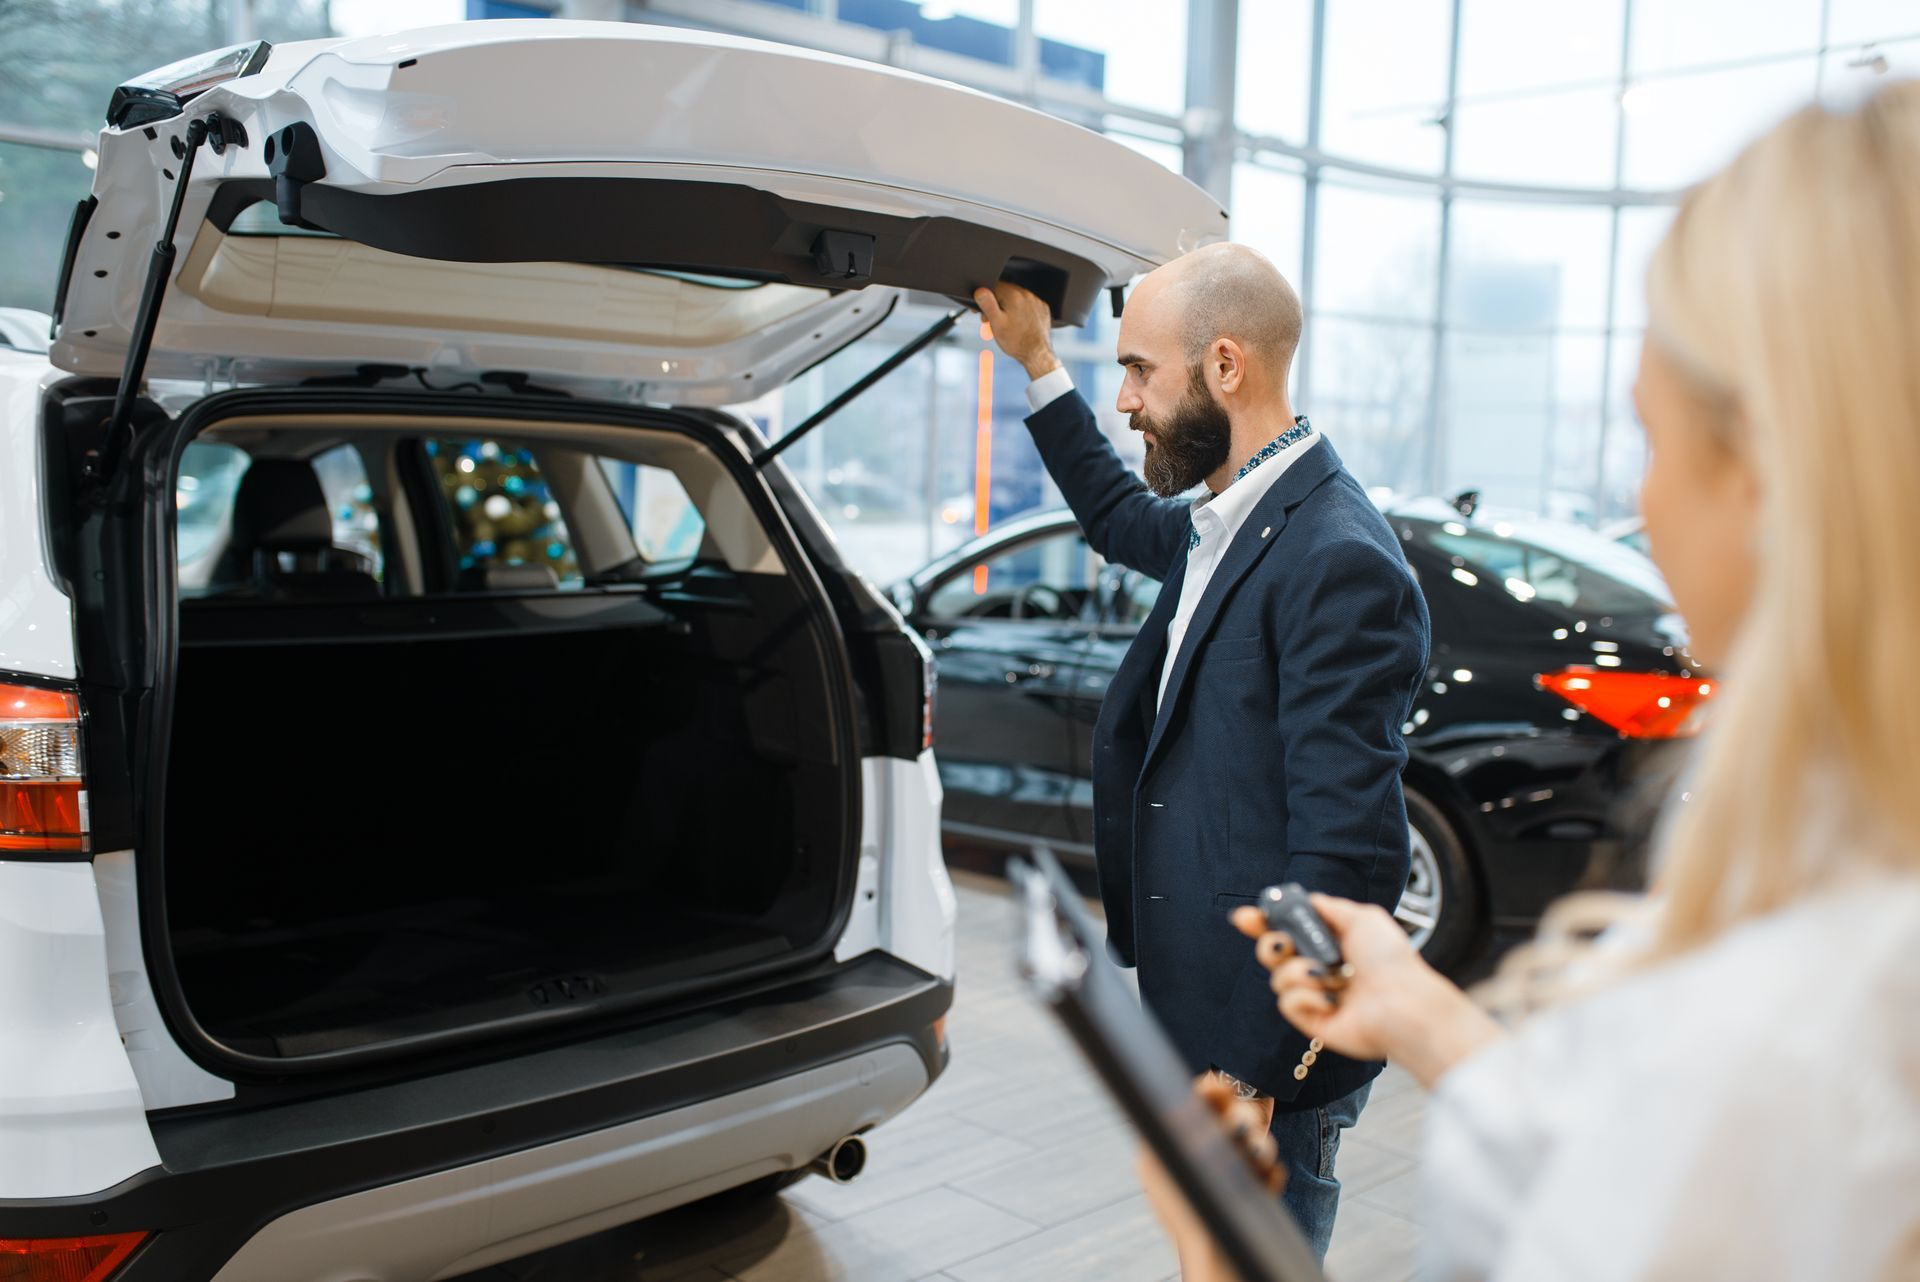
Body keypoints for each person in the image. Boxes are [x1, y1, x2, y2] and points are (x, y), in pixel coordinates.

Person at [1144, 81, 1920, 1281]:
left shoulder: (1799, 1044)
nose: (1643, 515)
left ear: (1775, 477)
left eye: (1654, 443)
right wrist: (1429, 1017)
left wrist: (1226, 1249)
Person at [973, 244, 1430, 1262]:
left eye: (1141, 370)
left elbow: (1350, 861)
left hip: (1257, 1041)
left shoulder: (1339, 559)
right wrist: (1037, 362)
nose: (1127, 399)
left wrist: (1257, 1069)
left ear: (1227, 367)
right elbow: (1114, 513)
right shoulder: (1229, 518)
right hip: (1195, 1004)